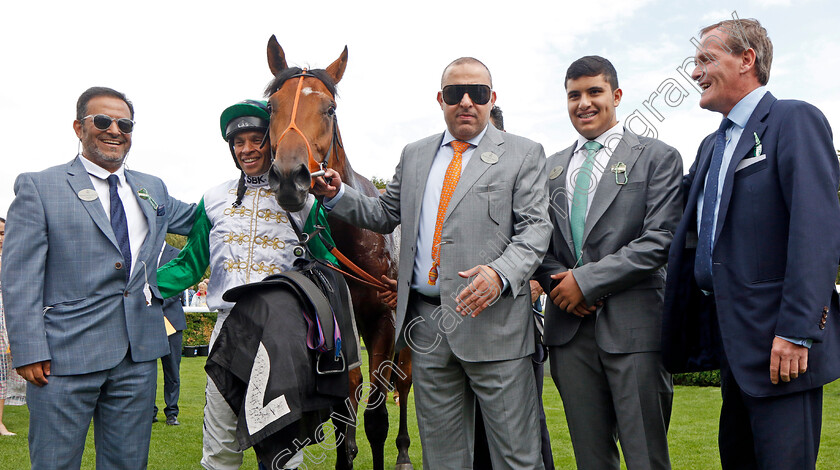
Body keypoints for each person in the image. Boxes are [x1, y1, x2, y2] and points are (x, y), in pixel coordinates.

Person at [314, 57, 552, 469]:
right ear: (439, 100)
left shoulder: (524, 154)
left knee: (516, 458)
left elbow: (535, 230)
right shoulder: (416, 155)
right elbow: (383, 214)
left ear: (490, 98)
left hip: (495, 330)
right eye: (454, 93)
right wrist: (337, 195)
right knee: (442, 459)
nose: (465, 101)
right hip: (426, 330)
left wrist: (500, 273)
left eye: (476, 93)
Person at [662, 18, 840, 469]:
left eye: (706, 59)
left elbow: (816, 230)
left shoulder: (793, 119)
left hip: (782, 349)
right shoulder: (710, 145)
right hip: (731, 346)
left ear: (747, 59)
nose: (695, 72)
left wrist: (797, 332)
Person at [0, 86, 196, 469]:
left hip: (138, 357)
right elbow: (19, 276)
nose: (114, 130)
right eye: (103, 120)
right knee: (55, 463)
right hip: (61, 358)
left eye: (124, 123)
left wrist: (270, 177)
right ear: (79, 127)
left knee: (127, 464)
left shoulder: (152, 187)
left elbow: (209, 216)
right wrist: (28, 350)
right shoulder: (40, 186)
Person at [157, 99, 335, 470]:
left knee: (282, 444)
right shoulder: (214, 198)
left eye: (257, 139)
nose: (248, 149)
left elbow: (328, 263)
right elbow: (189, 264)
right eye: (239, 142)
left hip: (284, 333)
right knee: (220, 441)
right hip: (228, 329)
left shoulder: (303, 199)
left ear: (271, 142)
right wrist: (139, 288)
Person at [534, 56, 682, 470]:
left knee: (645, 457)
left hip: (636, 330)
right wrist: (558, 284)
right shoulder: (547, 169)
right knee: (590, 459)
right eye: (573, 95)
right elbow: (536, 243)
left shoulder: (658, 157)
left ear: (616, 95)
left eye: (594, 91)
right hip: (569, 332)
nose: (584, 103)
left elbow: (661, 239)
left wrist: (586, 281)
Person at [471, 104, 555, 470]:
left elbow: (542, 240)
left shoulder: (525, 175)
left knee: (525, 423)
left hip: (513, 323)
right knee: (472, 426)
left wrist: (533, 280)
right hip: (464, 324)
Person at [152, 242, 187, 426]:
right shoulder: (144, 252)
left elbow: (179, 286)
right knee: (148, 370)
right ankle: (150, 411)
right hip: (148, 322)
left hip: (171, 321)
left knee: (172, 369)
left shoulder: (178, 254)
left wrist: (155, 305)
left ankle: (172, 412)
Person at [0, 216, 26, 436]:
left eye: (2, 233)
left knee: (2, 370)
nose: (0, 238)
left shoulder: (15, 257)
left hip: (6, 318)